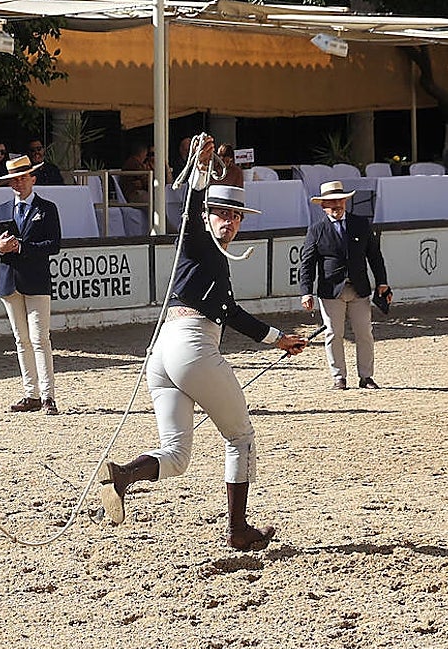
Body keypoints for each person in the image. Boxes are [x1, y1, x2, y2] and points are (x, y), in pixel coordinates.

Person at [100, 134, 307, 551]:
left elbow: (231, 312)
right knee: (241, 437)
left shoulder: (210, 259)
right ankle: (238, 530)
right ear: (209, 217)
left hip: (162, 354)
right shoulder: (197, 240)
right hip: (190, 347)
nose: (228, 222)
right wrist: (200, 167)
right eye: (221, 215)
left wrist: (277, 339)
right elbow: (191, 209)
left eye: (235, 216)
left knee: (175, 456)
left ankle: (123, 475)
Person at [0, 153, 62, 416]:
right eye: (13, 180)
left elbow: (54, 245)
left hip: (37, 280)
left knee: (40, 339)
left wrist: (21, 247)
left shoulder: (47, 208)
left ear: (32, 179)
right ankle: (31, 393)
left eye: (21, 179)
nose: (17, 184)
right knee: (21, 340)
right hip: (9, 281)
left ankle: (48, 396)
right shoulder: (1, 210)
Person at [298, 180, 391, 390]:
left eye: (339, 200)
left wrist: (382, 282)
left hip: (359, 288)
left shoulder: (361, 224)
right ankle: (338, 376)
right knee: (333, 333)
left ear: (346, 202)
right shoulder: (316, 230)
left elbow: (375, 256)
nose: (336, 205)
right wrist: (306, 292)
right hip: (331, 291)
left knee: (364, 332)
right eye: (331, 202)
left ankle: (366, 376)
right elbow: (307, 263)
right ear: (323, 206)